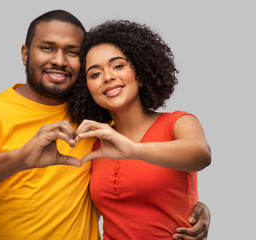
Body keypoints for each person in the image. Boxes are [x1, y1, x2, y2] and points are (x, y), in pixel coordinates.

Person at [0, 10, 210, 240]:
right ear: (25, 53)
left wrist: (191, 207)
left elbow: (172, 161)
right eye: (47, 47)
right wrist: (20, 160)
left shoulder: (95, 122)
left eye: (72, 52)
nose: (58, 60)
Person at [67, 20, 212, 239]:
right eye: (95, 74)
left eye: (118, 66)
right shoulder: (94, 145)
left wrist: (134, 150)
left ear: (141, 74)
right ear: (87, 90)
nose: (107, 77)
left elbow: (201, 155)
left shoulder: (178, 123)